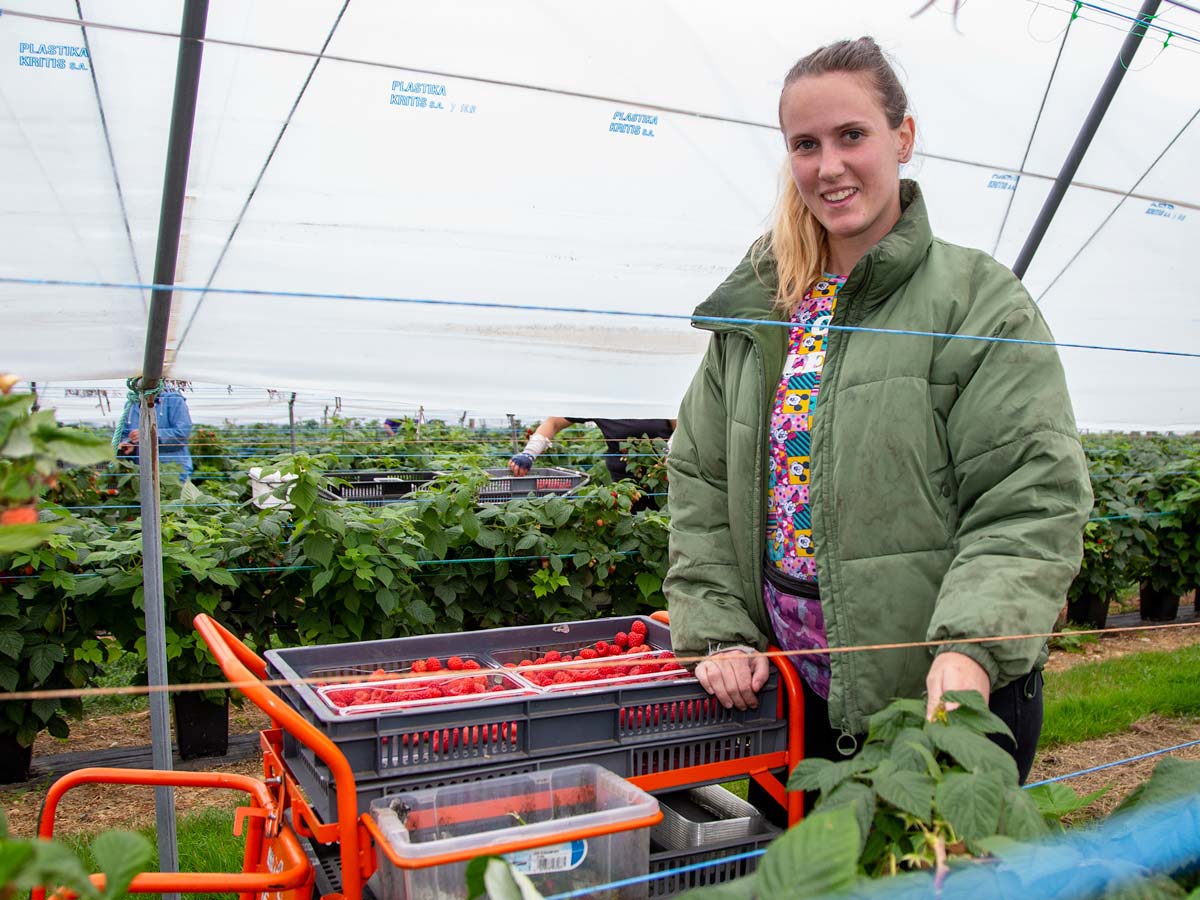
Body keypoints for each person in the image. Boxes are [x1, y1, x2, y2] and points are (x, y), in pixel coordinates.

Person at [664, 37, 1091, 785]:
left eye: (851, 136)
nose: (828, 166)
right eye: (806, 144)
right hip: (790, 700)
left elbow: (1030, 494)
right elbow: (699, 479)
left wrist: (971, 648)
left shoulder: (976, 300)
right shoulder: (762, 308)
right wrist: (721, 631)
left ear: (903, 137)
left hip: (939, 696)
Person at [509, 417, 675, 483]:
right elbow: (553, 422)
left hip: (669, 482)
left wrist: (673, 455)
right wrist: (529, 453)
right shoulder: (602, 397)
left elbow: (682, 425)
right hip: (625, 487)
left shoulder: (656, 392)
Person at [117, 385, 194, 483]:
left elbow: (182, 434)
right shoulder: (132, 404)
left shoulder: (174, 400)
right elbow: (124, 434)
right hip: (142, 472)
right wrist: (128, 443)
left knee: (171, 497)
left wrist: (150, 434)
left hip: (173, 474)